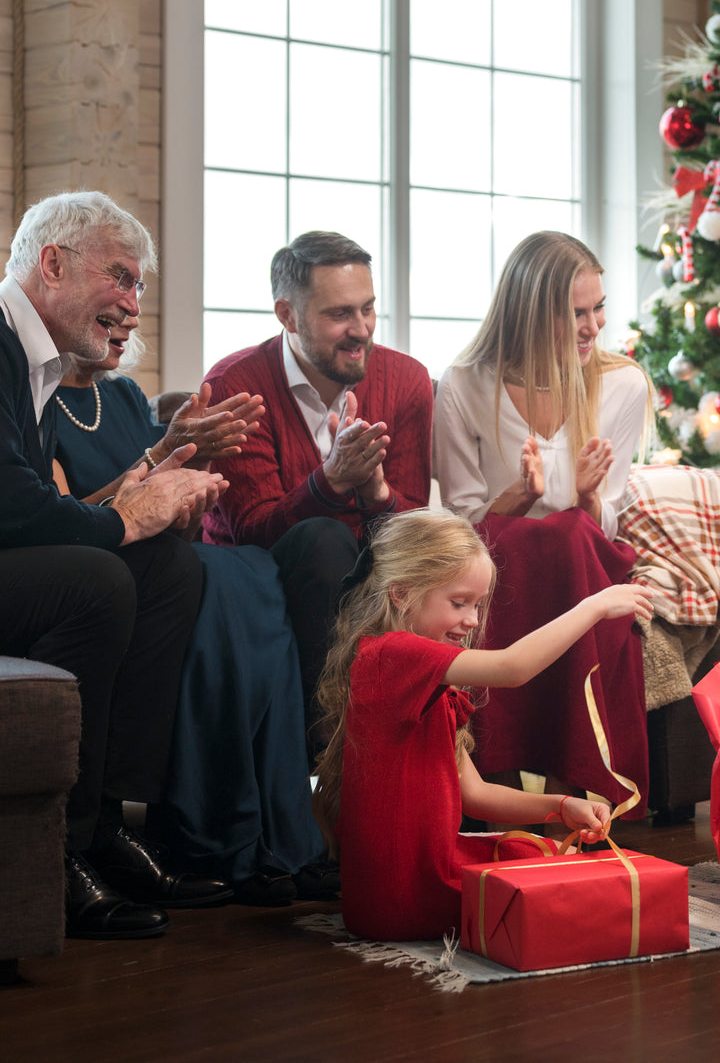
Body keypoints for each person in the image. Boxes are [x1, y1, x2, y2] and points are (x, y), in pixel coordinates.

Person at [0, 191, 231, 939]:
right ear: (54, 263)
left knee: (167, 569)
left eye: (138, 287)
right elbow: (18, 510)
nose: (133, 302)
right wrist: (125, 517)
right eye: (122, 278)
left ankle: (105, 826)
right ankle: (60, 849)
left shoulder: (36, 358)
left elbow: (29, 504)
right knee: (99, 577)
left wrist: (136, 502)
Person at [52, 323, 330, 905]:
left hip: (163, 562)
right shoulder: (40, 400)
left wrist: (186, 492)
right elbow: (62, 523)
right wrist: (153, 475)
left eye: (136, 292)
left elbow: (170, 520)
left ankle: (266, 830)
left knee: (253, 575)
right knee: (222, 576)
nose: (129, 315)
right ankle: (221, 831)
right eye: (115, 292)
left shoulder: (124, 396)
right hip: (102, 569)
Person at [313, 509, 654, 941]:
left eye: (476, 605)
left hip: (407, 881)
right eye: (459, 603)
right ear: (400, 594)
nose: (473, 620)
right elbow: (512, 668)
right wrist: (594, 605)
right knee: (563, 882)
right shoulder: (391, 655)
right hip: (403, 896)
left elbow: (475, 795)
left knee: (533, 851)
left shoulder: (421, 676)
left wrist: (561, 806)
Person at [432, 231, 652, 811]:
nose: (593, 326)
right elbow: (462, 529)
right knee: (545, 538)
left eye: (598, 307)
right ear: (530, 312)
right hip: (502, 559)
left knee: (575, 532)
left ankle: (569, 784)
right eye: (574, 313)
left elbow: (609, 525)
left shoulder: (622, 383)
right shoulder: (464, 385)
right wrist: (518, 498)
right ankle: (517, 785)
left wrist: (585, 496)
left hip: (583, 561)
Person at [203, 231, 433, 728]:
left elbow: (413, 528)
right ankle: (330, 748)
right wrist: (328, 483)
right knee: (324, 539)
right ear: (286, 315)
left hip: (369, 568)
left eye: (368, 309)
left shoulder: (407, 379)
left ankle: (438, 769)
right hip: (253, 576)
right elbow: (254, 531)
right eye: (339, 315)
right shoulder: (235, 387)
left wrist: (376, 494)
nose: (362, 329)